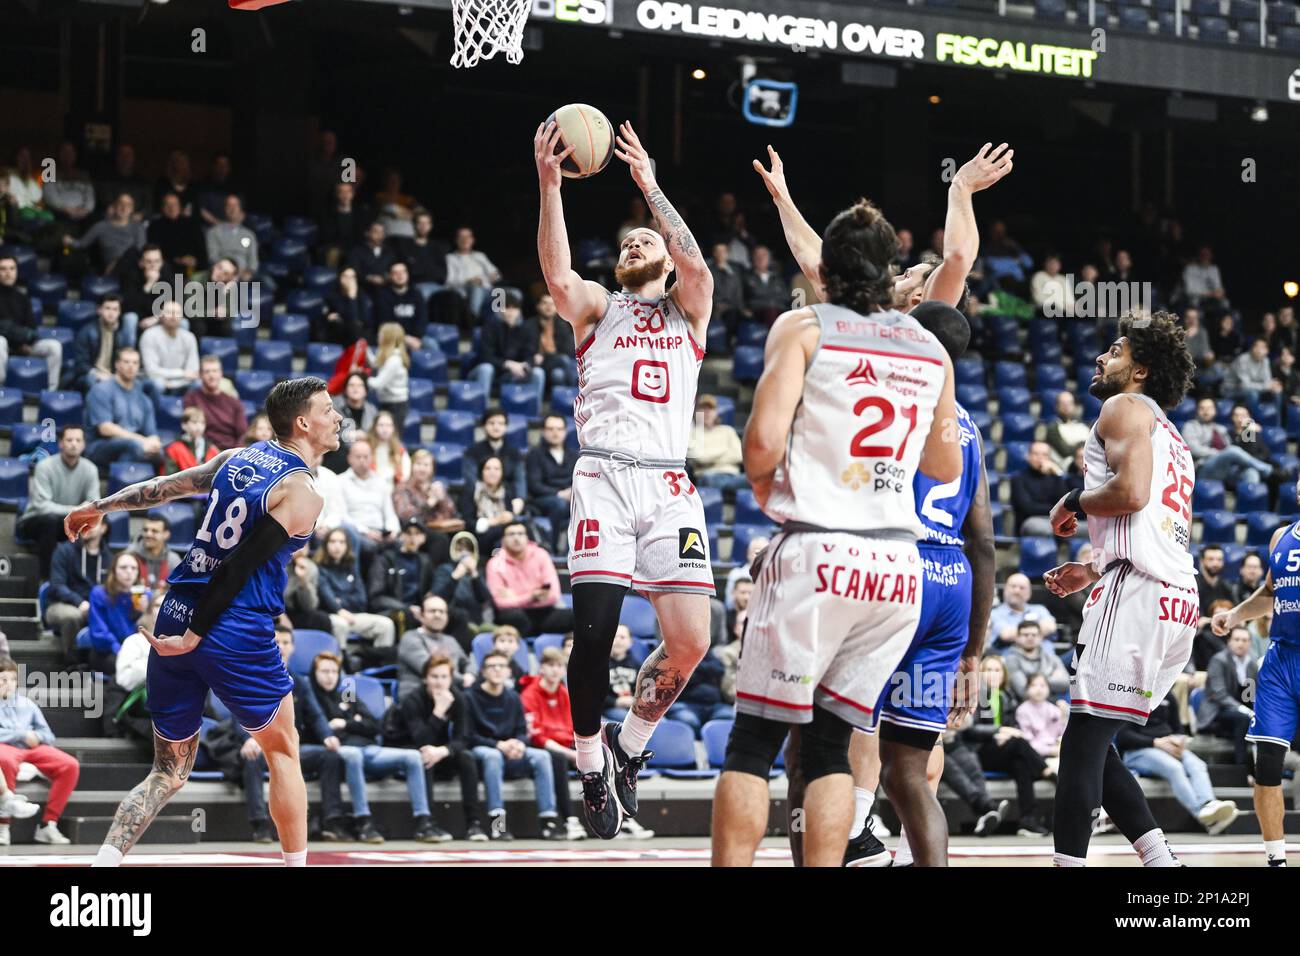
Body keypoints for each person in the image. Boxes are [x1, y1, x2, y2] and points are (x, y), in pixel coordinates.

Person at [711, 195, 962, 867]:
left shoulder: (803, 326)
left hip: (819, 548)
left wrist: (771, 493)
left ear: (826, 268)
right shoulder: (929, 347)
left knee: (756, 741)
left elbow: (761, 442)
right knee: (829, 745)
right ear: (890, 273)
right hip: (896, 568)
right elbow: (944, 465)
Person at [65, 375, 344, 867]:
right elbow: (237, 569)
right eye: (328, 409)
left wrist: (99, 506)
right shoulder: (302, 491)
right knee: (283, 751)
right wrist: (196, 636)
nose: (337, 417)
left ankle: (102, 865)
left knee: (168, 773)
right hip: (228, 624)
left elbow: (159, 489)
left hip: (174, 611)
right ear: (303, 423)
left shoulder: (239, 456)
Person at [537, 118, 719, 840]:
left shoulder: (688, 309)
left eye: (644, 241)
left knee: (691, 645)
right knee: (596, 633)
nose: (634, 246)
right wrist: (550, 184)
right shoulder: (596, 308)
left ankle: (629, 749)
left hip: (670, 486)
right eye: (624, 245)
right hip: (605, 480)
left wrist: (649, 187)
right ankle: (589, 771)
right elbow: (555, 273)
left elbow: (699, 265)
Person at [1042, 311, 1199, 868]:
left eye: (1115, 351)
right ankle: (1162, 864)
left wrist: (1071, 501)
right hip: (1176, 598)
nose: (1102, 358)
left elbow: (1129, 493)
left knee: (1080, 744)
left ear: (1140, 372)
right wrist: (1098, 566)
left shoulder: (1122, 408)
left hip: (1140, 596)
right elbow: (1152, 521)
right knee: (1096, 740)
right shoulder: (1174, 437)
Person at [1210, 488, 1300, 865]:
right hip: (1281, 661)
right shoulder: (1282, 536)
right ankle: (1275, 859)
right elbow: (1268, 592)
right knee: (1266, 764)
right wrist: (1234, 616)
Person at [309, 652, 444, 841]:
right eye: (324, 671)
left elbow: (374, 726)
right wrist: (353, 722)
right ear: (314, 673)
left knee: (413, 757)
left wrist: (345, 724)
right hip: (341, 752)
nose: (330, 676)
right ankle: (364, 820)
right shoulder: (311, 697)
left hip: (370, 749)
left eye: (334, 671)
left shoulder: (347, 693)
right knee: (354, 755)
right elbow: (323, 731)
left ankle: (424, 822)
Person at [235, 626, 350, 843]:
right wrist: (248, 739)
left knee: (330, 756)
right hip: (262, 746)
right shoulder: (251, 677)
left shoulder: (300, 682)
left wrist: (327, 735)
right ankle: (260, 826)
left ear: (293, 647)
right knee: (251, 759)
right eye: (277, 642)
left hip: (292, 748)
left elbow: (315, 715)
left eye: (286, 642)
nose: (281, 647)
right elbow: (237, 715)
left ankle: (333, 822)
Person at [465, 649, 563, 840]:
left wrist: (518, 743)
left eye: (501, 666)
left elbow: (522, 731)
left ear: (509, 671)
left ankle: (548, 822)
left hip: (511, 750)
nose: (496, 670)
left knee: (542, 756)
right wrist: (498, 745)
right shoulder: (470, 697)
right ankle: (497, 825)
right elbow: (468, 735)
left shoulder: (513, 697)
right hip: (484, 751)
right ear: (483, 672)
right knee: (492, 757)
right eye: (491, 666)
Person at [385, 656, 485, 840]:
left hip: (438, 751)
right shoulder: (412, 700)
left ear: (450, 678)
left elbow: (464, 737)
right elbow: (421, 739)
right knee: (425, 757)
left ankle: (474, 824)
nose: (439, 682)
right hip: (407, 751)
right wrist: (438, 712)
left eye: (444, 677)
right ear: (425, 678)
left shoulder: (458, 698)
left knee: (466, 757)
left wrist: (444, 751)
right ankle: (427, 824)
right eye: (434, 677)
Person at [1114, 689, 1239, 835]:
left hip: (1167, 747)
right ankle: (1202, 815)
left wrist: (1179, 741)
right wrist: (1156, 743)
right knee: (1175, 768)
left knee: (1197, 765)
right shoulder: (1134, 694)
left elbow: (1178, 729)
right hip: (1137, 751)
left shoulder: (1168, 695)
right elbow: (1123, 737)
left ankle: (1208, 804)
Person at [959, 655, 1053, 836]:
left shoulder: (1007, 696)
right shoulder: (974, 694)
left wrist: (1005, 734)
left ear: (1003, 675)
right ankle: (1047, 771)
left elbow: (1013, 727)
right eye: (988, 670)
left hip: (1002, 750)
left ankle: (1028, 820)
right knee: (1018, 743)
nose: (993, 675)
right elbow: (969, 730)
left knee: (1021, 765)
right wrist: (998, 731)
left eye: (997, 670)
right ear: (980, 673)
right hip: (977, 751)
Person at [0, 657, 80, 846]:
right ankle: (3, 825)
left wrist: (36, 736)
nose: (9, 684)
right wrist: (21, 734)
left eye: (12, 679)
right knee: (5, 760)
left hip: (32, 748)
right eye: (3, 679)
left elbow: (48, 735)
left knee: (70, 765)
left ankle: (48, 824)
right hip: (5, 747)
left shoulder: (26, 704)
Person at [520, 647, 588, 840]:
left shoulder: (564, 693)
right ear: (541, 668)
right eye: (550, 665)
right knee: (557, 759)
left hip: (566, 746)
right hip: (543, 748)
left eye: (559, 666)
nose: (555, 670)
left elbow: (573, 727)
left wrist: (580, 751)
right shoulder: (529, 695)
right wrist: (571, 754)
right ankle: (569, 820)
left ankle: (618, 819)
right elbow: (536, 736)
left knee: (598, 754)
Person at [17, 425, 99, 577]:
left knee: (101, 527)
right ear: (60, 443)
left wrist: (79, 513)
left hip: (70, 522)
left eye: (78, 440)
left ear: (84, 444)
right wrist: (76, 509)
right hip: (35, 520)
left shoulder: (91, 469)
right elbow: (41, 507)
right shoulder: (44, 466)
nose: (73, 444)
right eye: (69, 440)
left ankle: (89, 582)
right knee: (50, 522)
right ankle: (47, 579)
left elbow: (94, 505)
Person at [311, 528, 397, 651]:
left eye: (341, 542)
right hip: (331, 616)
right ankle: (342, 664)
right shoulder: (319, 568)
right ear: (325, 545)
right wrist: (339, 608)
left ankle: (379, 661)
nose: (337, 546)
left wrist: (340, 600)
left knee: (386, 625)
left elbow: (361, 600)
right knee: (341, 625)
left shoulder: (351, 566)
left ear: (347, 546)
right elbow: (326, 597)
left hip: (352, 615)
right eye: (333, 541)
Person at [485, 522, 575, 637]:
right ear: (503, 539)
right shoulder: (495, 564)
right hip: (516, 616)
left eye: (520, 533)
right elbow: (500, 603)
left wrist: (516, 597)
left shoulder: (541, 555)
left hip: (544, 612)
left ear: (527, 537)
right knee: (516, 617)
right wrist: (532, 597)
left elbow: (553, 596)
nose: (516, 538)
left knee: (576, 617)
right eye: (511, 534)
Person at [85, 347, 164, 469]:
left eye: (135, 363)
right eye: (126, 362)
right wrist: (142, 441)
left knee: (160, 453)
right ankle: (122, 486)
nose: (131, 366)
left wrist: (154, 443)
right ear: (117, 364)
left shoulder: (143, 398)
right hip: (99, 446)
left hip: (134, 444)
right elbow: (105, 429)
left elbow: (151, 432)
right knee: (132, 446)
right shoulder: (102, 390)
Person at [1194, 626, 1259, 767]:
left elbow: (1252, 696)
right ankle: (1241, 768)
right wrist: (1244, 710)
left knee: (1259, 718)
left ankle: (1264, 769)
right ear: (1229, 641)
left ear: (1250, 643)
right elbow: (1219, 695)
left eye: (1244, 640)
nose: (1240, 643)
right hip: (1216, 712)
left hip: (1239, 712)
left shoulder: (1251, 664)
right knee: (1243, 719)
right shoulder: (1219, 660)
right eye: (1237, 639)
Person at [46, 518, 108, 659]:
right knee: (72, 616)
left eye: (91, 523)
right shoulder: (64, 550)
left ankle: (105, 664)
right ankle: (73, 664)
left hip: (94, 605)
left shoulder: (108, 557)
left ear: (103, 528)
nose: (85, 526)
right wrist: (80, 602)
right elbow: (57, 585)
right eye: (83, 523)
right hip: (61, 604)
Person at [473, 290, 546, 409]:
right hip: (495, 371)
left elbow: (532, 354)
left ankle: (534, 411)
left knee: (538, 372)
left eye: (514, 308)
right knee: (486, 368)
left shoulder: (527, 329)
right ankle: (483, 409)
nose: (510, 312)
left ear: (519, 311)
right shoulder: (490, 327)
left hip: (518, 371)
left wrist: (524, 365)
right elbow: (485, 356)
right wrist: (507, 364)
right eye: (506, 308)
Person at [0, 254, 62, 390]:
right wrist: (23, 336)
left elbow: (32, 329)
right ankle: (2, 391)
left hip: (23, 346)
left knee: (54, 346)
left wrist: (26, 339)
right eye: (3, 269)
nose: (8, 273)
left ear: (16, 271)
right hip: (5, 346)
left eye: (12, 269)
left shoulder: (23, 297)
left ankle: (50, 393)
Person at [398, 594, 476, 698]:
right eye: (432, 611)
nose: (437, 615)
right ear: (421, 615)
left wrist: (470, 675)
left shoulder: (450, 640)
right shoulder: (410, 638)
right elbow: (430, 668)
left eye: (442, 611)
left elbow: (468, 662)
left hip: (453, 694)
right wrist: (462, 680)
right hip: (418, 698)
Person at [87, 551, 150, 675]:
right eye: (123, 567)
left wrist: (144, 614)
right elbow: (99, 633)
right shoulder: (99, 593)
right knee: (130, 669)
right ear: (114, 571)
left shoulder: (145, 596)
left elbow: (151, 633)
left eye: (133, 568)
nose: (129, 572)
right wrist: (121, 651)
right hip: (107, 651)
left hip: (137, 651)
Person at [525, 414, 579, 554]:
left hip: (571, 498)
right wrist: (560, 494)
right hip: (543, 499)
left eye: (559, 429)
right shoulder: (535, 454)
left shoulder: (574, 455)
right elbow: (535, 485)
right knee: (559, 504)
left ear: (565, 431)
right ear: (543, 431)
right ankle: (553, 550)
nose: (555, 433)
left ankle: (577, 552)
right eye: (551, 429)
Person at [368, 518, 434, 622]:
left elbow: (430, 591)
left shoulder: (425, 561)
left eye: (417, 533)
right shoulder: (385, 559)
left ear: (423, 538)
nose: (412, 538)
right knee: (404, 615)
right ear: (401, 536)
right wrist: (405, 608)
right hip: (394, 611)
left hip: (419, 612)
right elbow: (376, 598)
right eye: (408, 533)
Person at [183, 355, 248, 451]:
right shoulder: (191, 399)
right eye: (207, 371)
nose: (211, 375)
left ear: (221, 373)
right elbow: (191, 429)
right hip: (201, 451)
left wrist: (234, 454)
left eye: (215, 371)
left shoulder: (234, 403)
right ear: (200, 375)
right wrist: (209, 449)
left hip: (229, 453)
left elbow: (243, 434)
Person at [462, 456, 525, 555]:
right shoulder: (472, 490)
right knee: (502, 532)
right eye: (488, 468)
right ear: (481, 471)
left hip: (503, 534)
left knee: (520, 529)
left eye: (496, 469)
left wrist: (510, 516)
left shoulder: (506, 490)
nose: (492, 472)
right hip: (481, 536)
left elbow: (511, 515)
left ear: (502, 472)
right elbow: (468, 522)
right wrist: (492, 521)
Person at [462, 407, 527, 502]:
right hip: (478, 498)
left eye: (501, 424)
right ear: (484, 426)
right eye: (491, 423)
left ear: (506, 427)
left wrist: (520, 499)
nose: (496, 427)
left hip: (507, 498)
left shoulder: (514, 453)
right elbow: (471, 480)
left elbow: (520, 480)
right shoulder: (472, 451)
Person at [139, 299, 200, 395]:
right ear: (161, 316)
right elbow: (152, 371)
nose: (173, 316)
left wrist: (174, 383)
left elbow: (193, 371)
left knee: (198, 384)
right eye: (169, 312)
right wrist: (182, 374)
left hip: (181, 382)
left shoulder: (189, 337)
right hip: (157, 381)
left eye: (177, 313)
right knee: (158, 384)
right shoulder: (149, 335)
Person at [687, 394, 747, 491]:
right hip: (709, 476)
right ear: (697, 413)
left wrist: (710, 459)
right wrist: (724, 450)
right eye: (703, 409)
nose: (707, 413)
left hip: (733, 476)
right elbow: (700, 458)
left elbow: (740, 456)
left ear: (716, 412)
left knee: (757, 478)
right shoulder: (694, 433)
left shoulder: (728, 430)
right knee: (710, 479)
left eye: (710, 409)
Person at [1002, 619, 1070, 701]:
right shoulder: (1011, 659)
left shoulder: (1050, 657)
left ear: (1040, 637)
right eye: (1025, 635)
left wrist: (1032, 682)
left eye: (1034, 635)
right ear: (1017, 637)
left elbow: (1066, 683)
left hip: (1050, 705)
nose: (1030, 638)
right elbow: (1023, 691)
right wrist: (1050, 677)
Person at [1011, 441, 1069, 537]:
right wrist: (1055, 509)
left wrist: (1058, 474)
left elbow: (1065, 504)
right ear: (1028, 456)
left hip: (1053, 520)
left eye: (1044, 455)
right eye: (1036, 454)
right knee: (1046, 528)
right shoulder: (1018, 478)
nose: (1040, 458)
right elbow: (1028, 508)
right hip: (1029, 522)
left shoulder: (1055, 479)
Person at [325, 373, 378, 473]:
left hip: (364, 453)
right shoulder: (334, 407)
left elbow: (376, 435)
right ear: (345, 389)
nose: (355, 388)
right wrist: (349, 436)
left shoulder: (372, 411)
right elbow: (326, 433)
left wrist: (366, 436)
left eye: (359, 385)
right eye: (351, 385)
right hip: (339, 454)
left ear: (366, 390)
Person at [987, 573, 1058, 647]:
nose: (1017, 591)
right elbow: (1006, 635)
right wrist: (1040, 629)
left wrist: (1018, 633)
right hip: (1013, 657)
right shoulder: (995, 613)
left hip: (1048, 657)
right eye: (1013, 586)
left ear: (1029, 592)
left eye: (1022, 588)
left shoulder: (1040, 609)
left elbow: (1051, 626)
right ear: (1005, 589)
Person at [445, 226, 501, 320]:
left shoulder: (480, 255)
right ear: (456, 240)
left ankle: (501, 323)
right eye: (461, 237)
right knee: (476, 289)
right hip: (465, 291)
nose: (465, 240)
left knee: (505, 293)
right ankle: (472, 321)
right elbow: (449, 281)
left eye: (468, 237)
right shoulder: (450, 258)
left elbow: (496, 274)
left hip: (486, 291)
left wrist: (492, 277)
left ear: (472, 240)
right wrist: (468, 281)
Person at [373, 263, 427, 354]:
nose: (400, 275)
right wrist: (405, 338)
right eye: (396, 273)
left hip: (415, 338)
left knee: (432, 345)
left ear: (408, 274)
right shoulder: (383, 296)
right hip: (391, 338)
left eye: (403, 272)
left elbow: (422, 318)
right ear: (390, 276)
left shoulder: (416, 294)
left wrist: (417, 338)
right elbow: (386, 324)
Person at [148, 192, 206, 273]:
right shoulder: (155, 226)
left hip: (193, 265)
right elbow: (155, 250)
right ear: (162, 208)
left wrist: (195, 260)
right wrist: (177, 260)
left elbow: (202, 250)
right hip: (168, 266)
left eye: (175, 204)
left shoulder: (192, 224)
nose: (171, 208)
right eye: (168, 205)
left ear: (180, 207)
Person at [367, 323, 411, 424]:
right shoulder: (387, 355)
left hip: (395, 405)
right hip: (387, 402)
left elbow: (378, 384)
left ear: (388, 337)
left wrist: (361, 378)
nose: (378, 336)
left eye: (381, 334)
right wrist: (366, 350)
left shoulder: (394, 360)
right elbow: (375, 363)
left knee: (392, 437)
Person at [128, 512, 184, 591]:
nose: (148, 534)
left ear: (166, 534)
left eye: (154, 531)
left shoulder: (173, 560)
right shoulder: (130, 556)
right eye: (145, 530)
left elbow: (179, 591)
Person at [1015, 673, 1066, 759]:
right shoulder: (1022, 710)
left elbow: (1062, 733)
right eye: (1033, 685)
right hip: (1034, 755)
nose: (1038, 689)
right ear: (1027, 689)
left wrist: (1063, 716)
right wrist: (1051, 750)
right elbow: (1027, 741)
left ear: (1049, 689)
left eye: (1042, 685)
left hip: (1057, 751)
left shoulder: (1054, 709)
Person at [162, 407, 219, 475]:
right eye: (194, 422)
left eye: (202, 423)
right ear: (184, 425)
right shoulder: (173, 449)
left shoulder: (212, 449)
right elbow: (169, 478)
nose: (199, 426)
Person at [1045, 391, 1089, 469]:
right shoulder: (1052, 428)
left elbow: (1090, 448)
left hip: (1086, 467)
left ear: (1074, 406)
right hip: (1064, 469)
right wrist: (1081, 444)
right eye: (1063, 403)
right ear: (1057, 407)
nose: (1066, 406)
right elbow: (1065, 451)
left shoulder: (1084, 427)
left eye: (1069, 403)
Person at [367, 410, 410, 488]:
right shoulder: (367, 447)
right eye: (381, 425)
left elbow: (406, 472)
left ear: (393, 428)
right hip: (372, 487)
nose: (385, 429)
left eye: (388, 425)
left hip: (394, 488)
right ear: (374, 427)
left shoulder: (399, 449)